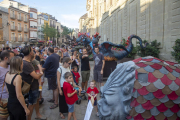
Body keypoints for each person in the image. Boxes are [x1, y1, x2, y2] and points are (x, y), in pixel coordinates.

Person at [21, 46, 45, 120]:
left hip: (34, 85)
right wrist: (41, 73)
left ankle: (37, 114)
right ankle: (29, 118)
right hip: (31, 87)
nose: (34, 51)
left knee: (36, 100)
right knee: (31, 104)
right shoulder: (26, 64)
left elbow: (36, 62)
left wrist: (39, 69)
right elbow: (36, 77)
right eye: (32, 50)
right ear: (30, 53)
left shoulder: (28, 61)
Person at [0, 50, 14, 120]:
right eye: (12, 57)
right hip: (3, 98)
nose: (13, 59)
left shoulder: (10, 67)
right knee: (3, 118)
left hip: (11, 97)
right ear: (6, 58)